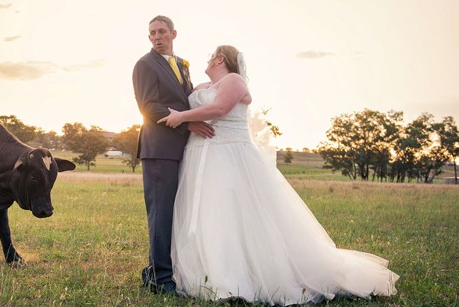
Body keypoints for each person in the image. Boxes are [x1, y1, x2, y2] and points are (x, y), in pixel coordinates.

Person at [158, 45, 400, 305]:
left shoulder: (234, 80)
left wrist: (182, 117)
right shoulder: (199, 88)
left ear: (219, 58)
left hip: (229, 156)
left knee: (231, 213)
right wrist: (186, 119)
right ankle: (205, 274)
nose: (207, 59)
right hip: (198, 157)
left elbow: (219, 109)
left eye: (211, 55)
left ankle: (234, 279)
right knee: (208, 214)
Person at [132, 15, 214, 294]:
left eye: (162, 31)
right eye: (153, 32)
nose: (157, 36)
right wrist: (188, 122)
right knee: (161, 214)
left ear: (173, 34)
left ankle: (155, 269)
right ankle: (161, 278)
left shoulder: (181, 65)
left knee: (176, 212)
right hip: (159, 150)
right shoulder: (145, 65)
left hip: (182, 148)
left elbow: (185, 98)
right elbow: (148, 107)